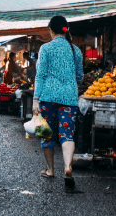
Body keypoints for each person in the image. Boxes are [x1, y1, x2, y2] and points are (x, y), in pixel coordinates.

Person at [32, 16, 84, 188]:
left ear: (50, 30)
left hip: (47, 97)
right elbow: (80, 76)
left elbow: (40, 75)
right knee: (67, 134)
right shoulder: (75, 50)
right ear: (66, 29)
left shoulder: (45, 48)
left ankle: (50, 169)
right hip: (69, 98)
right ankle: (68, 167)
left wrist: (35, 99)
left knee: (46, 133)